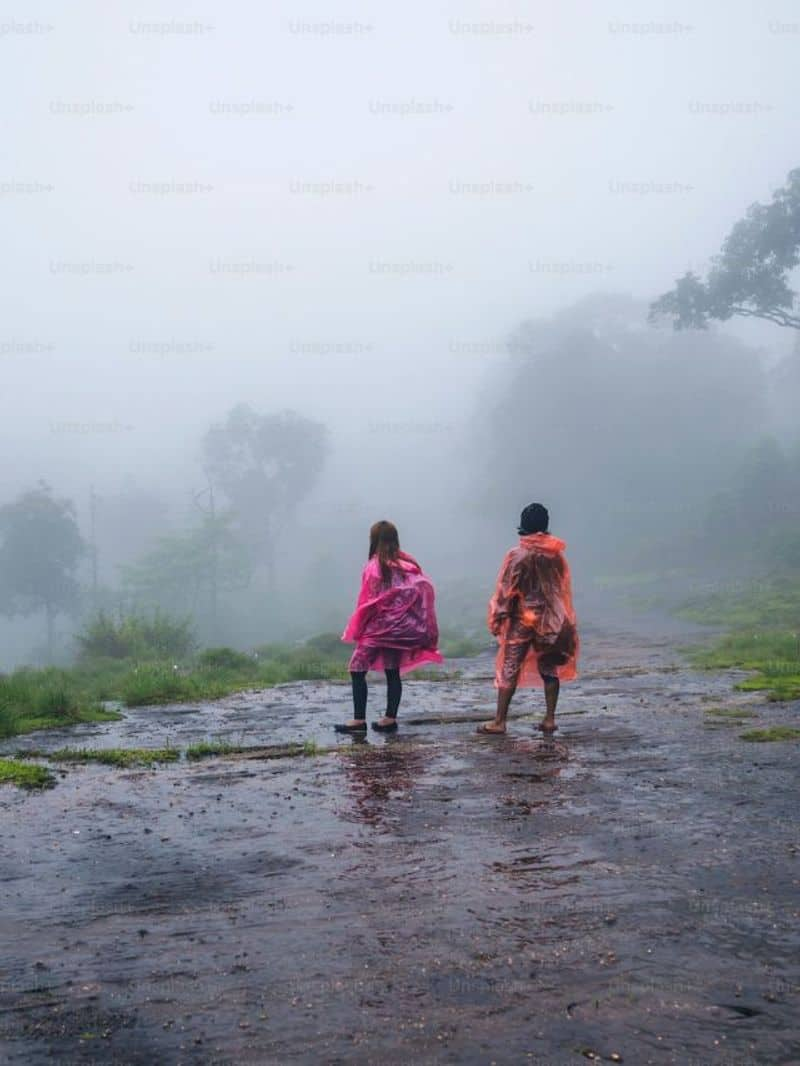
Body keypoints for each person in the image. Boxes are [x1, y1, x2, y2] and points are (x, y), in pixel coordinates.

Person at [478, 503, 578, 736]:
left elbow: (506, 590)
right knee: (549, 666)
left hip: (522, 619)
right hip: (551, 619)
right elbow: (560, 588)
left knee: (510, 667)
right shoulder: (555, 555)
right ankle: (549, 719)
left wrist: (497, 618)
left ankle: (500, 721)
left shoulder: (517, 555)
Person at [335, 520, 443, 734]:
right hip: (400, 630)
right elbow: (421, 587)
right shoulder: (406, 565)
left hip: (378, 629)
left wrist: (360, 626)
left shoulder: (374, 567)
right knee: (392, 672)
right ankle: (389, 719)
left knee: (357, 668)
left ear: (374, 541)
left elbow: (368, 600)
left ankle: (358, 721)